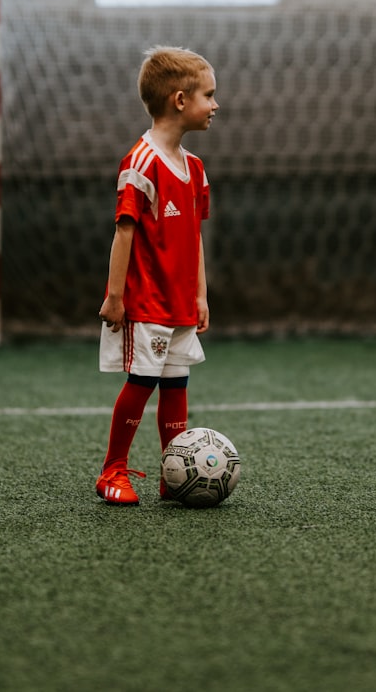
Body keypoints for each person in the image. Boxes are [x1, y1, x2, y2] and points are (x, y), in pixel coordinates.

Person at [94, 46, 220, 505]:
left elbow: (194, 237)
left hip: (180, 302)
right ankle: (112, 470)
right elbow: (122, 235)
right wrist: (114, 298)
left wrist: (200, 296)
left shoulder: (196, 170)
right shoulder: (141, 163)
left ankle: (175, 473)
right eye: (210, 95)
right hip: (146, 301)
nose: (216, 105)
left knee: (177, 384)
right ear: (180, 100)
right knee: (142, 382)